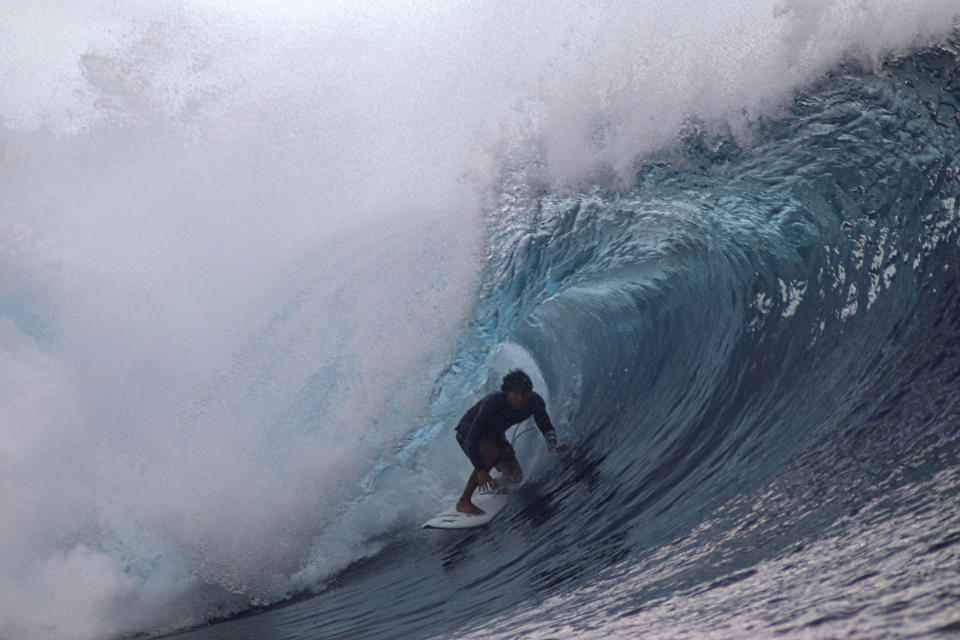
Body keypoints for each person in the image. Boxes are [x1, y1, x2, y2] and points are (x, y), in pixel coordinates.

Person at [455, 369, 567, 515]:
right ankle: (464, 501)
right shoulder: (493, 404)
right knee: (494, 452)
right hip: (467, 434)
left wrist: (552, 443)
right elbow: (471, 439)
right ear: (507, 392)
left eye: (523, 394)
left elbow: (544, 423)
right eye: (515, 394)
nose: (520, 398)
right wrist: (481, 470)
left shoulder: (534, 402)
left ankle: (494, 485)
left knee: (515, 477)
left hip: (494, 435)